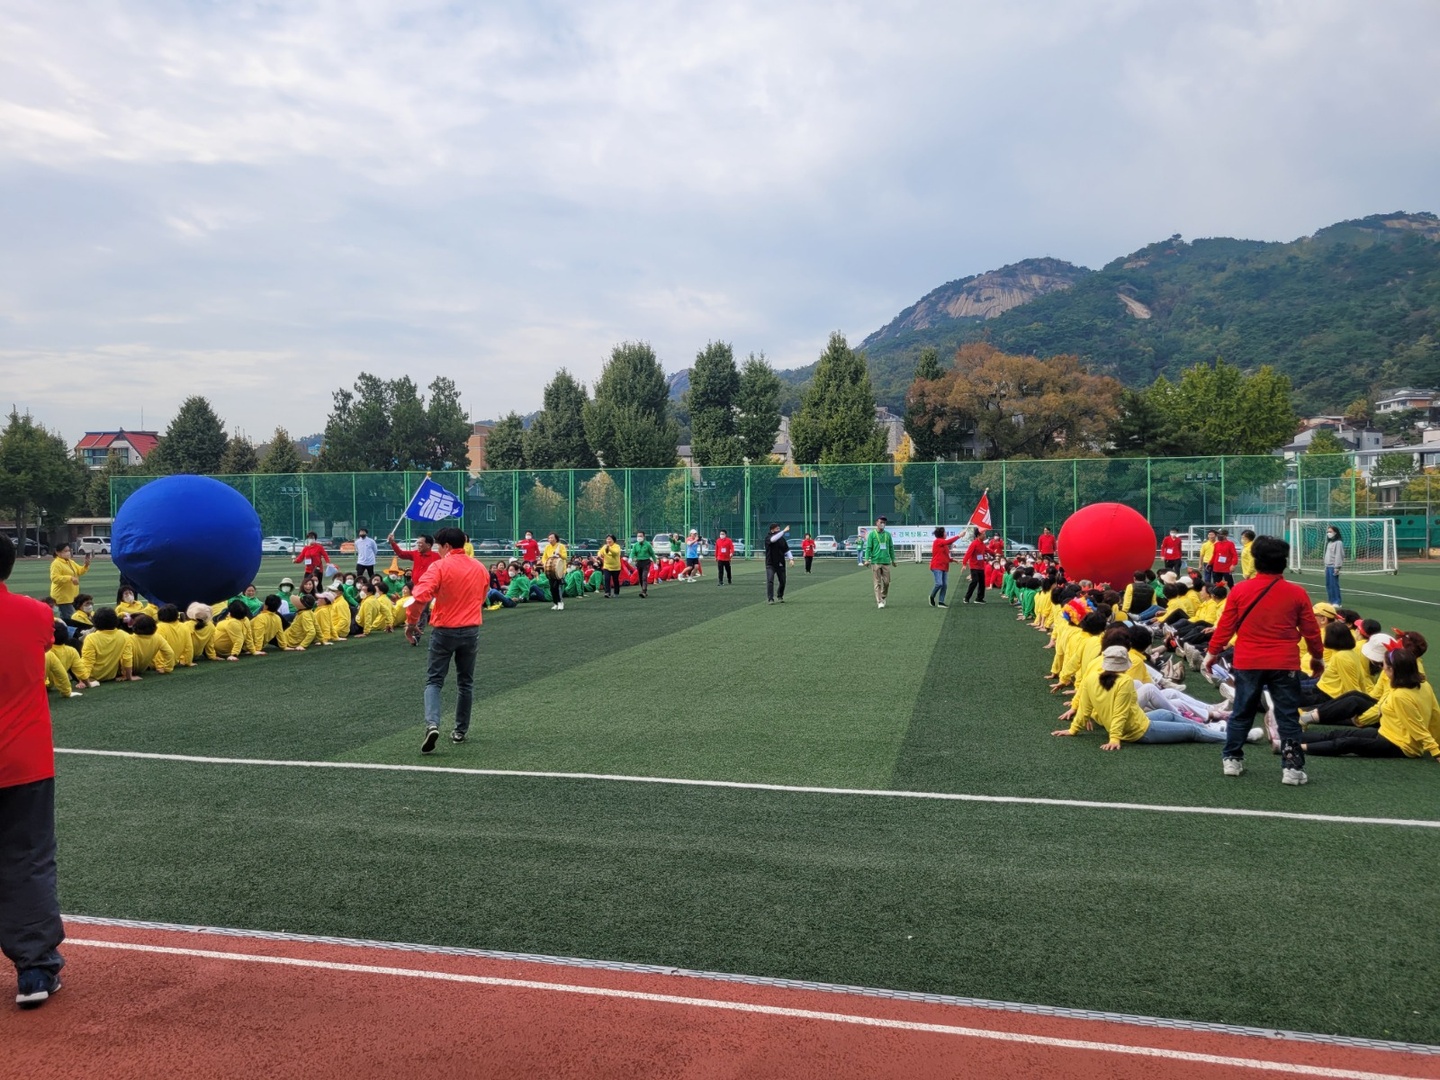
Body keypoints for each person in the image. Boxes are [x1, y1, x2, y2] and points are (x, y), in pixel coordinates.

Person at [0, 535, 66, 1008]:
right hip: (23, 759)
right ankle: (35, 968)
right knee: (28, 862)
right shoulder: (34, 613)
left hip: (25, 760)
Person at [1202, 535, 1323, 786]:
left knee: (1242, 710)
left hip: (1248, 661)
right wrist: (1317, 658)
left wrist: (1212, 652)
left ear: (1255, 561)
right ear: (1284, 562)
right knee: (1287, 715)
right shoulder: (1297, 593)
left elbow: (1226, 626)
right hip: (1285, 663)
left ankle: (1232, 759)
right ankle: (1292, 767)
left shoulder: (1241, 591)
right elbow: (1311, 631)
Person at [406, 527, 489, 753]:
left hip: (444, 630)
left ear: (446, 546)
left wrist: (411, 622)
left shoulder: (439, 566)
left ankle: (432, 723)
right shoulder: (479, 567)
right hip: (471, 629)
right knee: (466, 682)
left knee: (434, 681)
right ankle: (460, 730)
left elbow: (419, 596)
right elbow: (482, 596)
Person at [1052, 646, 1228, 748]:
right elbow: (1120, 712)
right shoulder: (1124, 680)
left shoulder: (1090, 678)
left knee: (1170, 714)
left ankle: (1211, 727)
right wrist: (1114, 738)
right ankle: (1233, 738)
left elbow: (1084, 708)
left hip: (1136, 721)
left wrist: (1074, 729)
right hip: (1138, 731)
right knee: (1192, 731)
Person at [1301, 646, 1440, 760]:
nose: (1382, 667)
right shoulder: (1423, 685)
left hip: (1401, 746)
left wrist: (1436, 751)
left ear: (1392, 670)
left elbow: (1417, 727)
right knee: (1340, 734)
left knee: (1347, 743)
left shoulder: (1401, 696)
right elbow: (1435, 714)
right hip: (1386, 732)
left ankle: (1294, 747)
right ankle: (1287, 738)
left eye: (1384, 665)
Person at [388, 532, 441, 634]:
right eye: (418, 543)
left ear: (429, 545)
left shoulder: (436, 557)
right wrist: (392, 543)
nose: (418, 545)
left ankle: (417, 633)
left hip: (427, 588)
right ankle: (412, 626)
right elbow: (401, 554)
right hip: (415, 587)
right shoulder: (416, 554)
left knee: (423, 610)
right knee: (414, 609)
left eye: (421, 543)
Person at [47, 543, 92, 622]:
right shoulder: (56, 563)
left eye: (69, 550)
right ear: (58, 552)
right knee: (70, 618)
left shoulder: (70, 562)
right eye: (65, 551)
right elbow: (55, 578)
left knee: (70, 618)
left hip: (72, 596)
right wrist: (70, 578)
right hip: (63, 597)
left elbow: (79, 571)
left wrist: (86, 565)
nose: (68, 552)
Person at [861, 517, 895, 609]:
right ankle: (879, 601)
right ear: (877, 523)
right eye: (881, 522)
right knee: (877, 582)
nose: (882, 524)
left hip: (886, 561)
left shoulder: (887, 535)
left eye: (884, 522)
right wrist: (867, 559)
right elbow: (868, 548)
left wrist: (893, 559)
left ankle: (883, 596)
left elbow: (891, 548)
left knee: (887, 582)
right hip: (875, 561)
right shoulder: (872, 534)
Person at [928, 527, 963, 608]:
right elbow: (949, 541)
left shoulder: (944, 545)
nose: (946, 534)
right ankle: (932, 596)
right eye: (945, 532)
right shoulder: (938, 541)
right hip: (937, 566)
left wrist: (953, 560)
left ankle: (941, 602)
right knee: (939, 583)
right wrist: (959, 536)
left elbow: (945, 556)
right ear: (941, 534)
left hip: (944, 566)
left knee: (944, 585)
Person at [960, 527, 988, 604]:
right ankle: (966, 597)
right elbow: (968, 554)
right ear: (978, 535)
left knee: (982, 583)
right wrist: (964, 564)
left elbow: (987, 550)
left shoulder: (982, 544)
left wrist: (995, 553)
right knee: (975, 581)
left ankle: (979, 598)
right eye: (983, 534)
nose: (985, 535)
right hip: (974, 566)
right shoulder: (974, 544)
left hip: (981, 566)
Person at [541, 533, 568, 610]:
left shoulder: (561, 546)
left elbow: (565, 557)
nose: (550, 539)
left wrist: (559, 554)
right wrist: (545, 563)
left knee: (557, 586)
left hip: (560, 570)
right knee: (552, 587)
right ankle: (555, 603)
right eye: (549, 538)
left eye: (552, 538)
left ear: (556, 539)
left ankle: (560, 602)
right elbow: (544, 557)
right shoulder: (547, 547)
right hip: (550, 570)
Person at [764, 523, 790, 604]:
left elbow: (787, 550)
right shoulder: (768, 538)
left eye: (779, 528)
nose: (778, 530)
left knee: (783, 581)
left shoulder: (782, 539)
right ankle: (770, 599)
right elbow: (773, 539)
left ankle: (780, 595)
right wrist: (784, 531)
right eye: (776, 529)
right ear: (772, 530)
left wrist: (791, 558)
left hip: (780, 563)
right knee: (770, 580)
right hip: (770, 563)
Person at [629, 531, 655, 597]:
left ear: (644, 537)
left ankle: (644, 591)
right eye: (638, 536)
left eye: (641, 536)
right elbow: (633, 553)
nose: (639, 537)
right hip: (639, 562)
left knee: (644, 576)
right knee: (640, 577)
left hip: (646, 562)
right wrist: (631, 558)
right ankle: (643, 589)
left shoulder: (648, 545)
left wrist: (655, 562)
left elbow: (652, 553)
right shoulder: (635, 545)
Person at [1323, 525, 1344, 606]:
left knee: (1334, 584)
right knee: (1328, 585)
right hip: (1328, 566)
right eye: (1328, 532)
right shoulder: (1330, 543)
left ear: (1335, 533)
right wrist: (1325, 566)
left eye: (1330, 532)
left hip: (1333, 566)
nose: (1328, 533)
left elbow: (1339, 555)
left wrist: (1337, 567)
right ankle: (1331, 601)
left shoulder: (1338, 543)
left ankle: (1337, 602)